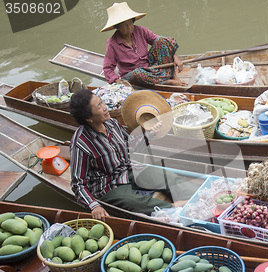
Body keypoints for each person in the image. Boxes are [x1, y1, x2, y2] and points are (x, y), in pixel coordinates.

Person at [69, 89, 196, 220]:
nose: (105, 108)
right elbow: (78, 184)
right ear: (88, 118)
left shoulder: (112, 124)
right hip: (108, 185)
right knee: (134, 202)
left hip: (129, 169)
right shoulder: (80, 143)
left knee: (166, 176)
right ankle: (173, 207)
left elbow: (131, 146)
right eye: (99, 106)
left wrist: (150, 134)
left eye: (102, 102)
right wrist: (94, 205)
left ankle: (197, 195)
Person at [101, 2, 186, 87]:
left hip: (149, 66)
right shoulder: (112, 43)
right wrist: (117, 80)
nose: (129, 27)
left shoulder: (140, 30)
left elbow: (161, 42)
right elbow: (108, 68)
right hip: (134, 75)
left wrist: (176, 58)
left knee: (161, 40)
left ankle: (173, 75)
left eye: (130, 23)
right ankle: (168, 82)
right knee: (138, 72)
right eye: (125, 25)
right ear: (117, 27)